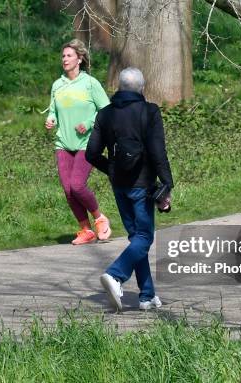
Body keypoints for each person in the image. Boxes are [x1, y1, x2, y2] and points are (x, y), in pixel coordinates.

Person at [85, 67, 173, 311]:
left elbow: (92, 154)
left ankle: (147, 296)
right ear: (141, 88)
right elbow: (158, 151)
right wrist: (167, 183)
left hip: (120, 186)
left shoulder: (105, 114)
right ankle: (115, 274)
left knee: (137, 239)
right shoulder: (149, 111)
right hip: (142, 185)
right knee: (144, 237)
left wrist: (111, 169)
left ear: (119, 87)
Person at [45, 39, 112, 245]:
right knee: (67, 189)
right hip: (63, 142)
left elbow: (106, 110)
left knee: (77, 185)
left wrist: (89, 123)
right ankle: (86, 230)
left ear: (80, 59)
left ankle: (100, 218)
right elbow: (53, 109)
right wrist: (51, 118)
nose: (64, 59)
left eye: (69, 56)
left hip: (87, 142)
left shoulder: (90, 83)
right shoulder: (58, 85)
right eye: (63, 56)